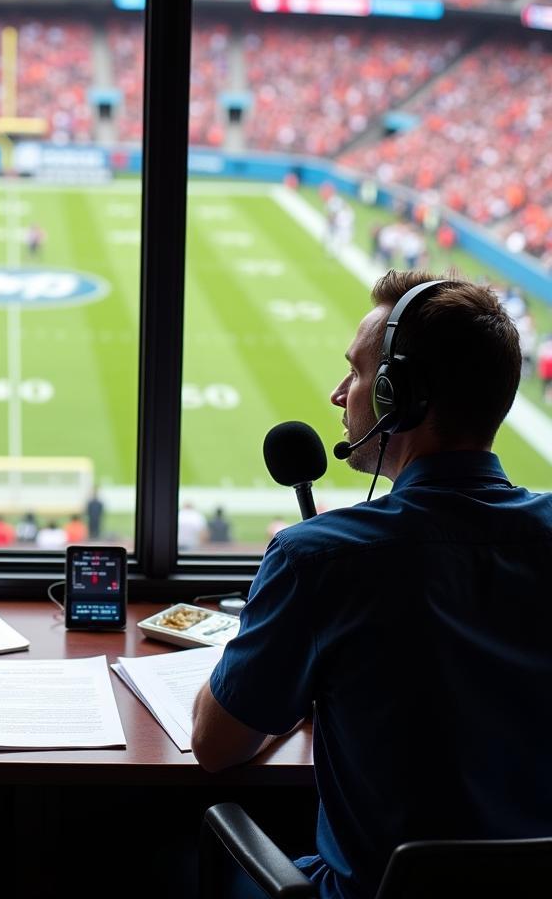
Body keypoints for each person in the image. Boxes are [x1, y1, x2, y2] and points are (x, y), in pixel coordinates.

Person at [191, 271, 552, 899]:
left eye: (358, 373)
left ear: (398, 396)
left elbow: (215, 745)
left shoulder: (318, 558)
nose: (340, 394)